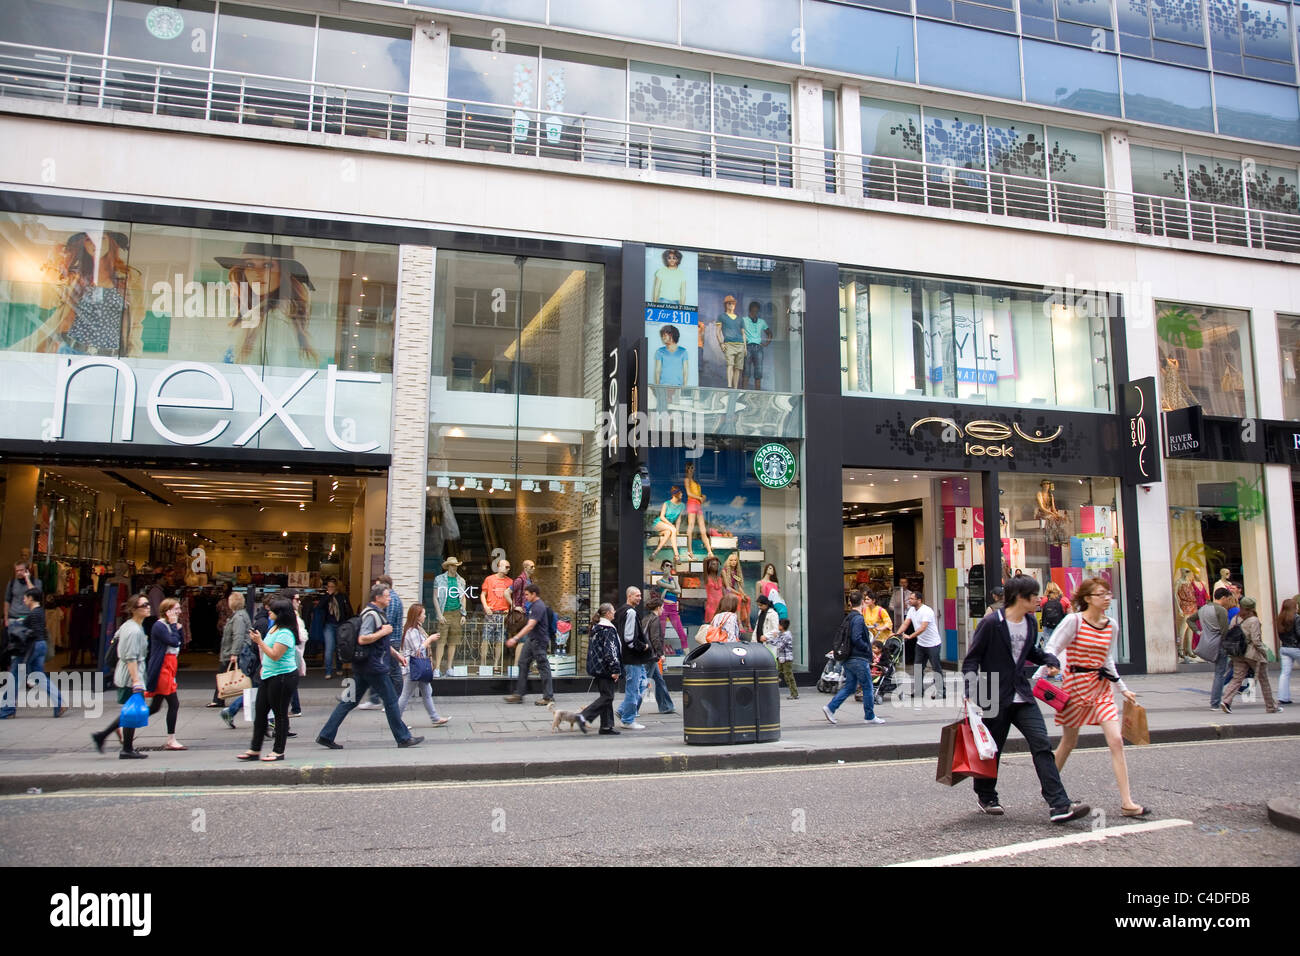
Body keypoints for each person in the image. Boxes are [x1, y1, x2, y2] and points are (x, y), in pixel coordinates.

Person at [962, 574, 1090, 823]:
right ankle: (986, 795)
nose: (1038, 600)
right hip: (994, 696)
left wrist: (1049, 660)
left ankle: (1058, 803)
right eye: (1034, 596)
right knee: (992, 750)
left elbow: (1030, 650)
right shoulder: (991, 623)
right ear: (1020, 598)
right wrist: (972, 692)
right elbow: (972, 659)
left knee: (1041, 743)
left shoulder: (1031, 622)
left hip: (1022, 695)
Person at [1039, 578, 1148, 817]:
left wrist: (1122, 688)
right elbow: (1052, 647)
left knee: (1116, 740)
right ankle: (1051, 789)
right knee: (1069, 742)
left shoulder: (1112, 625)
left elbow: (1107, 660)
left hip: (1100, 689)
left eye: (1108, 593)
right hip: (1074, 688)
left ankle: (1127, 802)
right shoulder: (1074, 621)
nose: (1107, 597)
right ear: (1088, 598)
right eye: (1101, 594)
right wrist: (1050, 668)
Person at [315, 585, 424, 750]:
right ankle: (403, 738)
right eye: (387, 596)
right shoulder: (372, 615)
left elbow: (382, 642)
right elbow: (363, 638)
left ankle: (326, 734)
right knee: (391, 700)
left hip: (363, 666)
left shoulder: (373, 613)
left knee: (349, 701)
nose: (389, 598)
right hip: (373, 667)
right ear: (377, 598)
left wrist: (396, 655)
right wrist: (383, 632)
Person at [233, 597, 300, 761]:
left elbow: (275, 655)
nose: (268, 611)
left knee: (280, 714)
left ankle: (278, 751)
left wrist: (259, 642)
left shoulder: (285, 633)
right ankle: (255, 749)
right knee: (261, 713)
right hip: (269, 675)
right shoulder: (274, 628)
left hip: (283, 677)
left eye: (272, 610)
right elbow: (268, 655)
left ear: (281, 614)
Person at [91, 594, 152, 759]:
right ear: (133, 609)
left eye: (147, 604)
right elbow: (130, 658)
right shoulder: (133, 630)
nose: (148, 607)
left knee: (129, 712)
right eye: (143, 605)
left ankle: (103, 736)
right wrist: (136, 681)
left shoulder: (132, 626)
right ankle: (126, 749)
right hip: (130, 677)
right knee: (130, 713)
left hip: (129, 675)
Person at [822, 589, 887, 725]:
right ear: (862, 602)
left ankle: (830, 708)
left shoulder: (848, 617)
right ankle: (869, 716)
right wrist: (867, 647)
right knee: (868, 686)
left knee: (850, 687)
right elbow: (856, 638)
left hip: (848, 658)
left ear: (850, 603)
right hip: (859, 658)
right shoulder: (858, 618)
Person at [0, 588, 65, 718]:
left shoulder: (34, 613)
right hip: (41, 645)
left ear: (31, 598)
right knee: (39, 676)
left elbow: (31, 632)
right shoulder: (40, 612)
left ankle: (7, 709)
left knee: (15, 675)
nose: (24, 600)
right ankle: (59, 703)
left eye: (25, 597)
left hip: (31, 647)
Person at [1220, 596, 1282, 715]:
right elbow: (1256, 640)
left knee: (1237, 678)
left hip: (1237, 653)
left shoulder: (1235, 619)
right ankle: (1271, 706)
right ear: (1251, 608)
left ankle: (1226, 701)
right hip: (1252, 654)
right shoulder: (1253, 620)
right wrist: (1263, 652)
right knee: (1264, 680)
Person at [396, 603, 450, 727]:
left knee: (426, 692)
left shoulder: (417, 629)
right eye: (423, 614)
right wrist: (429, 639)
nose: (425, 616)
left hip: (417, 667)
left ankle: (435, 718)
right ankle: (396, 720)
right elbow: (418, 650)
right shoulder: (412, 631)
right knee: (405, 695)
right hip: (413, 668)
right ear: (417, 616)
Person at [143, 598, 186, 751]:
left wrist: (177, 628)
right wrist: (175, 626)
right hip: (163, 668)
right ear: (167, 611)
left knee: (155, 707)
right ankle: (171, 739)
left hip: (169, 666)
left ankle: (125, 724)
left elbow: (181, 641)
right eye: (176, 609)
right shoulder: (159, 626)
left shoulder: (169, 625)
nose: (179, 612)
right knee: (174, 703)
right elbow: (173, 642)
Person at [503, 583, 555, 705]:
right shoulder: (533, 605)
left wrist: (515, 638)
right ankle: (519, 694)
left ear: (534, 594)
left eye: (527, 594)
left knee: (543, 667)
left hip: (539, 641)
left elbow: (530, 625)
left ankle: (548, 697)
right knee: (522, 663)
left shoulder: (538, 606)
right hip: (531, 640)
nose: (525, 597)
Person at [359, 574, 404, 709]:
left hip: (391, 640)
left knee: (393, 672)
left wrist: (379, 633)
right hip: (387, 640)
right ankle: (376, 699)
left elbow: (385, 623)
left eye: (378, 585)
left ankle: (393, 700)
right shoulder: (391, 600)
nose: (375, 588)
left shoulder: (392, 600)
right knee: (379, 669)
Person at [577, 604, 621, 734]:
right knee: (607, 696)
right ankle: (583, 716)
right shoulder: (608, 629)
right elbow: (611, 651)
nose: (615, 612)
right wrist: (615, 669)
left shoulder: (597, 627)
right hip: (606, 668)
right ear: (607, 613)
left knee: (606, 695)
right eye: (613, 611)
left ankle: (606, 726)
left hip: (597, 667)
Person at [614, 587, 653, 730]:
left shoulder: (622, 611)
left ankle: (623, 710)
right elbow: (629, 638)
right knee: (634, 688)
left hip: (632, 657)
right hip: (632, 657)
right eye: (637, 596)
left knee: (642, 684)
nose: (640, 598)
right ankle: (628, 720)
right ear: (629, 596)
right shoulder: (630, 612)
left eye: (640, 595)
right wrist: (643, 647)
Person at [898, 590, 944, 701]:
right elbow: (906, 623)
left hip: (933, 644)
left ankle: (941, 691)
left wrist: (910, 636)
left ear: (919, 600)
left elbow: (923, 627)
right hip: (921, 644)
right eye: (909, 598)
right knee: (918, 667)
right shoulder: (911, 610)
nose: (909, 600)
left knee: (936, 668)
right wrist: (897, 634)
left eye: (912, 599)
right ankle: (919, 691)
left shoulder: (927, 611)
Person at [1198, 587, 1236, 711]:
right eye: (1228, 599)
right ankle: (1215, 702)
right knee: (1220, 674)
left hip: (1210, 644)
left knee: (1220, 673)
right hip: (1220, 644)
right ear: (1224, 598)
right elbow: (1225, 630)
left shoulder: (1203, 609)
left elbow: (1190, 619)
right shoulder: (1221, 610)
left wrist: (1199, 632)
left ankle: (1216, 702)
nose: (1229, 601)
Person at [640, 594, 675, 715]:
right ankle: (628, 709)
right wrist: (661, 654)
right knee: (643, 683)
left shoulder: (646, 618)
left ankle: (666, 706)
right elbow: (655, 638)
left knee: (659, 681)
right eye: (663, 607)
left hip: (648, 654)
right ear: (658, 608)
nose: (663, 610)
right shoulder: (655, 620)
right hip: (651, 655)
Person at [432, 556, 467, 677]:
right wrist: (439, 614)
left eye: (456, 565)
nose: (454, 567)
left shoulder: (461, 580)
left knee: (453, 641)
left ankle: (449, 667)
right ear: (447, 566)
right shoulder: (439, 579)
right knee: (441, 641)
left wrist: (463, 613)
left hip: (456, 612)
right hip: (444, 612)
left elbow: (463, 597)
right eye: (452, 565)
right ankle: (437, 668)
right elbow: (435, 597)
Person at [480, 559, 513, 671]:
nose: (508, 569)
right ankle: (483, 664)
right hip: (491, 613)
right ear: (499, 567)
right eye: (506, 567)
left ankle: (496, 664)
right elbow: (483, 594)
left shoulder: (510, 582)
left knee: (499, 640)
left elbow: (512, 597)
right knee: (485, 639)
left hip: (503, 614)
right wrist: (485, 606)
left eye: (509, 567)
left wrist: (509, 608)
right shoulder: (489, 579)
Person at [319, 578, 352, 679]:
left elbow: (348, 610)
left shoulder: (342, 596)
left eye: (332, 586)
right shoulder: (326, 597)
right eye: (328, 586)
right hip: (329, 625)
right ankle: (328, 671)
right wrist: (328, 595)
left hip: (341, 625)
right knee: (329, 648)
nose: (330, 588)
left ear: (337, 587)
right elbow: (319, 607)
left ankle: (339, 667)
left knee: (339, 648)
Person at [715, 294, 746, 388]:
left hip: (740, 344)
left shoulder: (740, 319)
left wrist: (745, 347)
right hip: (729, 344)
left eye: (733, 303)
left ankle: (735, 387)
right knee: (730, 365)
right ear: (726, 305)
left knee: (738, 368)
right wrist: (721, 343)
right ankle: (729, 386)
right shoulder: (722, 316)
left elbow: (743, 333)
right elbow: (718, 331)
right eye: (729, 303)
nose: (731, 305)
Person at [658, 560, 687, 654]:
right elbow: (675, 588)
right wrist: (671, 587)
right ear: (662, 567)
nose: (669, 567)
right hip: (664, 608)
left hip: (673, 608)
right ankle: (661, 657)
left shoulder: (673, 579)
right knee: (661, 633)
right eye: (667, 565)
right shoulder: (659, 581)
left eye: (671, 566)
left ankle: (688, 657)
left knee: (682, 633)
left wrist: (667, 589)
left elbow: (679, 591)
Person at [684, 463, 712, 558]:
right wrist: (699, 498)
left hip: (698, 505)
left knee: (703, 529)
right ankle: (689, 551)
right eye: (689, 468)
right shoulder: (687, 480)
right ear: (686, 469)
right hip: (692, 503)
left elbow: (697, 495)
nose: (691, 469)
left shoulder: (695, 482)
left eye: (692, 468)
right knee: (691, 525)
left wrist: (702, 497)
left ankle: (709, 551)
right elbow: (689, 493)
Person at [4, 560, 40, 635]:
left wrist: (27, 579)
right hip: (13, 618)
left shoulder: (36, 582)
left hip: (28, 619)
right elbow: (7, 601)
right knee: (12, 645)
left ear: (27, 570)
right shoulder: (12, 582)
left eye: (21, 570)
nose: (19, 573)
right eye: (17, 571)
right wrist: (6, 618)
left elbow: (35, 595)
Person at [741, 300, 771, 390]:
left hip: (758, 348)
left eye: (757, 311)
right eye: (753, 311)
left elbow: (769, 332)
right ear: (750, 310)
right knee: (746, 371)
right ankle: (744, 392)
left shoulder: (761, 322)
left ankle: (758, 393)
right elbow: (738, 332)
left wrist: (766, 343)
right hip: (748, 347)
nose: (755, 313)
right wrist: (743, 343)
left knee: (758, 371)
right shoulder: (744, 320)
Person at [654, 325, 689, 398]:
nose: (663, 337)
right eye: (662, 335)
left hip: (678, 387)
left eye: (665, 335)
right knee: (662, 408)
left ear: (672, 335)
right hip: (663, 386)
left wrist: (684, 386)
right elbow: (657, 371)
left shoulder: (683, 351)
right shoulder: (660, 351)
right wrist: (657, 387)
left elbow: (685, 371)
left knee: (676, 408)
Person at [720, 552, 750, 637]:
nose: (733, 562)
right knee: (739, 599)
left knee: (747, 599)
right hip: (726, 591)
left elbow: (739, 586)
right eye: (731, 560)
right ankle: (739, 623)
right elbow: (728, 587)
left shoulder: (735, 573)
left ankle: (747, 623)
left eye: (735, 560)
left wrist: (743, 594)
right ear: (728, 561)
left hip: (733, 591)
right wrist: (739, 594)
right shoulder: (724, 571)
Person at [652, 489, 685, 561]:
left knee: (668, 532)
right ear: (675, 494)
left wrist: (677, 530)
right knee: (673, 529)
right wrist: (671, 525)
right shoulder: (666, 503)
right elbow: (661, 517)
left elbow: (679, 519)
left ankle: (655, 552)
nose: (682, 495)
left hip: (668, 528)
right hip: (659, 523)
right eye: (680, 493)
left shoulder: (682, 505)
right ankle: (677, 556)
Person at [1278, 596, 1299, 705]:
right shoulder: (1296, 618)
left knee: (1285, 673)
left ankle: (1283, 697)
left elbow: (1280, 634)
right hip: (1296, 648)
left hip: (1284, 648)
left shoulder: (1280, 618)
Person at [772, 617, 797, 699]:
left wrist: (776, 638)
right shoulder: (781, 634)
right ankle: (773, 691)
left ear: (782, 626)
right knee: (776, 673)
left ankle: (794, 694)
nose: (778, 626)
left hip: (786, 659)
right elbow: (775, 643)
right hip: (781, 658)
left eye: (779, 624)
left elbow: (780, 646)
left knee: (788, 676)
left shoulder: (787, 636)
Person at [702, 555, 723, 621]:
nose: (716, 566)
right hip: (711, 606)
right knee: (712, 627)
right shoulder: (707, 578)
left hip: (721, 605)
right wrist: (714, 557)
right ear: (709, 566)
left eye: (717, 564)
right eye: (713, 564)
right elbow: (705, 561)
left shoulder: (719, 578)